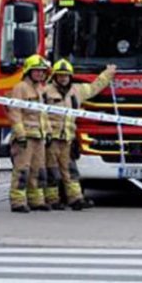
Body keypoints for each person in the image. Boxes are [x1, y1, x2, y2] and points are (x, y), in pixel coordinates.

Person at [44, 59, 116, 211]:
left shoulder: (77, 90)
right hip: (52, 139)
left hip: (67, 139)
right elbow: (39, 114)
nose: (63, 78)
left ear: (70, 76)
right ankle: (52, 200)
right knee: (52, 170)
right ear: (55, 76)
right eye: (60, 75)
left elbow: (95, 87)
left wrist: (108, 74)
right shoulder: (46, 91)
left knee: (70, 170)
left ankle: (76, 199)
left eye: (66, 75)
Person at [8, 54, 52, 213]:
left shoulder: (40, 89)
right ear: (28, 72)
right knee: (22, 170)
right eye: (37, 71)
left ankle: (36, 200)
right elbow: (15, 112)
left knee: (38, 169)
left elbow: (43, 114)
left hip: (39, 137)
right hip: (25, 137)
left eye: (42, 71)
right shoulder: (20, 88)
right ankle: (17, 201)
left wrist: (47, 132)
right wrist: (20, 134)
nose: (40, 74)